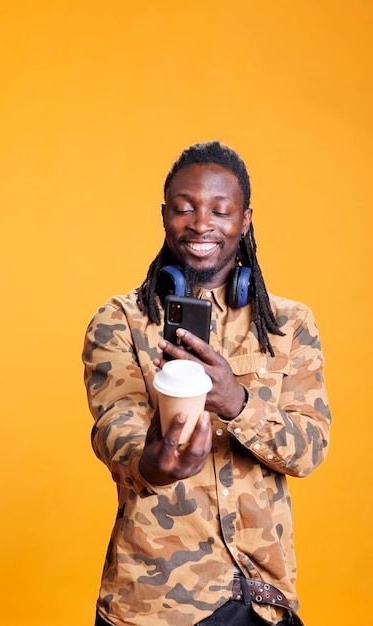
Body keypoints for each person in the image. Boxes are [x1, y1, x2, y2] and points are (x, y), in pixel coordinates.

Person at [82, 141, 331, 626]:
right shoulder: (119, 320)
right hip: (155, 607)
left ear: (245, 219)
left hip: (265, 602)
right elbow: (117, 429)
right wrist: (153, 464)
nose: (201, 224)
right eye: (184, 208)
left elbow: (311, 449)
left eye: (220, 210)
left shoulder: (290, 324)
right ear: (164, 215)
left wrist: (236, 401)